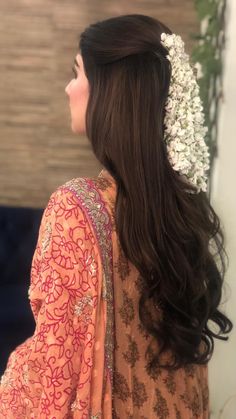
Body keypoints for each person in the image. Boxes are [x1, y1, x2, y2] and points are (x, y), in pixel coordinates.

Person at [0, 14, 233, 419]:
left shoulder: (75, 208)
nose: (68, 88)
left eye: (76, 73)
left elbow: (51, 371)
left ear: (108, 92)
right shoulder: (182, 211)